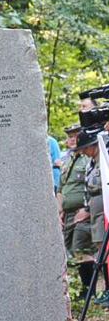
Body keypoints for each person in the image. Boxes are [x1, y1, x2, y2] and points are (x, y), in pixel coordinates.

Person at [56, 124, 96, 297]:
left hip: (83, 211)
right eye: (69, 137)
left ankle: (89, 291)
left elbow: (90, 184)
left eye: (74, 137)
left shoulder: (88, 158)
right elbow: (62, 186)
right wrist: (60, 209)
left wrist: (86, 209)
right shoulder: (69, 159)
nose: (70, 140)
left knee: (83, 248)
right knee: (72, 249)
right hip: (68, 212)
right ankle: (82, 289)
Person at [79, 126, 107, 298]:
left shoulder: (104, 157)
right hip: (94, 206)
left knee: (105, 246)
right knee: (100, 246)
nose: (84, 151)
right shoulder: (91, 162)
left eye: (86, 147)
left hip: (103, 204)